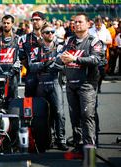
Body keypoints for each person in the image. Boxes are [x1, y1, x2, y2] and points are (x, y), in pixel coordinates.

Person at [59, 13, 103, 154]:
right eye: (75, 22)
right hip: (71, 84)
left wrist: (75, 59)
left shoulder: (94, 41)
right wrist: (61, 58)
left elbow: (96, 60)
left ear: (88, 24)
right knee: (75, 118)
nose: (76, 24)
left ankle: (90, 150)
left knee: (87, 116)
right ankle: (78, 147)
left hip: (87, 85)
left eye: (80, 22)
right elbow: (61, 56)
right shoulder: (69, 40)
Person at [29, 23, 68, 151]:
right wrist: (46, 64)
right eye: (47, 32)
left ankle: (61, 139)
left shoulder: (60, 48)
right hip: (41, 84)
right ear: (42, 34)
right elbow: (31, 67)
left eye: (52, 32)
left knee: (59, 113)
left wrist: (44, 65)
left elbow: (60, 65)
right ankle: (47, 139)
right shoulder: (35, 50)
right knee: (43, 114)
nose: (50, 34)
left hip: (55, 83)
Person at [0, 14, 21, 101]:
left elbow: (20, 56)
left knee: (13, 100)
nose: (6, 25)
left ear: (12, 24)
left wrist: (13, 70)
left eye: (8, 23)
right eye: (4, 23)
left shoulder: (18, 39)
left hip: (13, 73)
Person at [19, 11, 46, 97]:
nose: (34, 22)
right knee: (30, 102)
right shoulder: (24, 38)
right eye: (33, 20)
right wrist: (32, 67)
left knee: (50, 104)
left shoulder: (51, 35)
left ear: (44, 21)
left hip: (47, 74)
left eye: (37, 20)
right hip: (31, 74)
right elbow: (22, 57)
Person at [89, 16, 112, 93]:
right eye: (96, 25)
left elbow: (110, 41)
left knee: (102, 72)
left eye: (99, 25)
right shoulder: (90, 31)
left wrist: (102, 41)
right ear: (94, 24)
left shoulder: (106, 31)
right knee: (93, 71)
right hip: (92, 53)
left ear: (102, 24)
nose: (98, 27)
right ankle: (94, 86)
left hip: (102, 53)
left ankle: (99, 85)